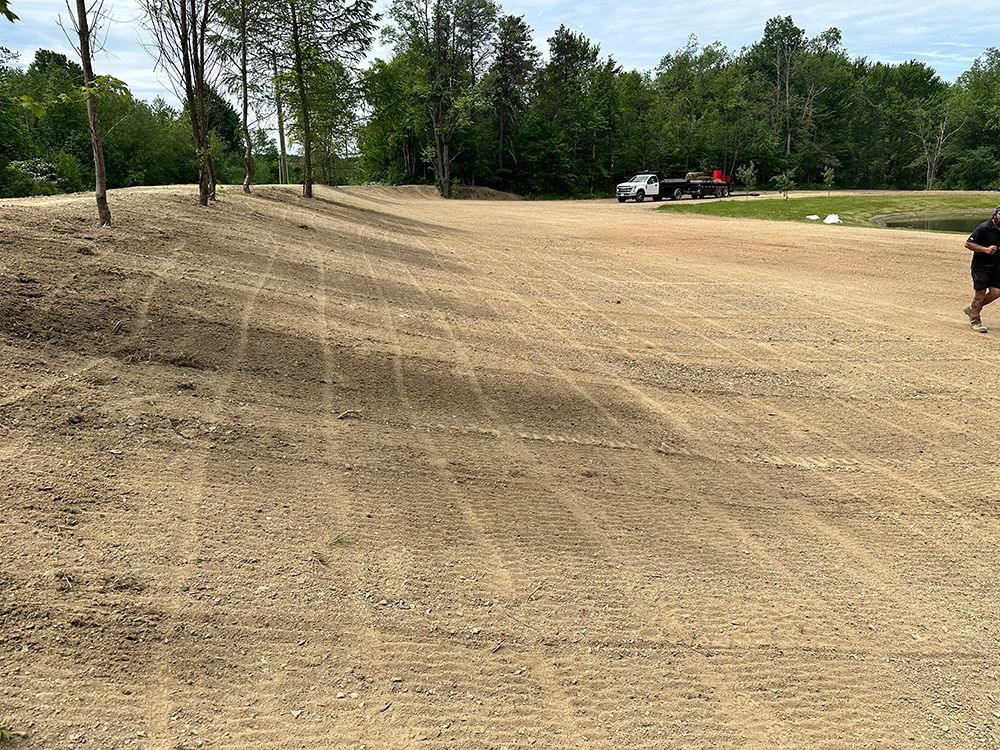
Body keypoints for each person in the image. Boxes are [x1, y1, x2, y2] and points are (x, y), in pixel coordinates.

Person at [963, 206, 1000, 333]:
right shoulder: (984, 227)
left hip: (996, 267)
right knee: (980, 294)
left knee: (996, 292)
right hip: (981, 267)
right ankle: (975, 320)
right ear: (995, 214)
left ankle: (972, 309)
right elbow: (968, 244)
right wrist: (985, 249)